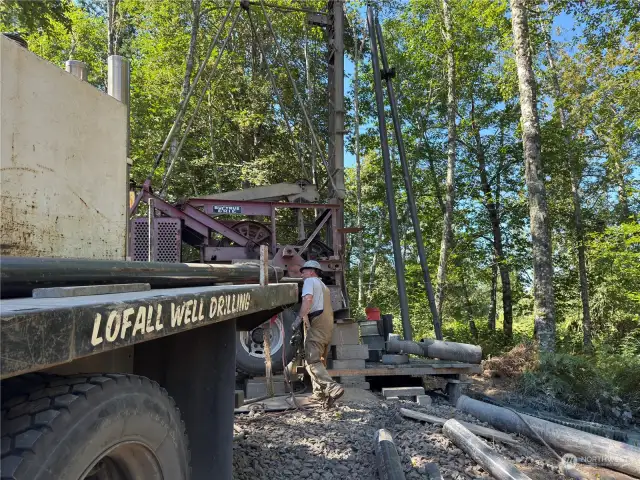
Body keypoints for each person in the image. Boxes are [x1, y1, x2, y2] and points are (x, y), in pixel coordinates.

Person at [291, 260, 344, 408]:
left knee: (312, 360)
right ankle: (319, 394)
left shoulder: (310, 281)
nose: (302, 274)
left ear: (312, 271)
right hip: (326, 324)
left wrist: (298, 319)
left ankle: (332, 387)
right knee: (317, 360)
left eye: (304, 271)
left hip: (318, 323)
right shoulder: (323, 287)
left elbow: (307, 300)